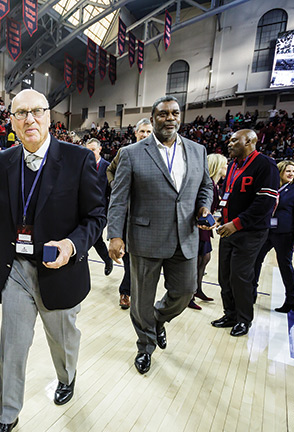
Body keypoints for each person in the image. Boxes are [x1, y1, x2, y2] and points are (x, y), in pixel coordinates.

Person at [0, 89, 105, 432]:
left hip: (60, 271)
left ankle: (67, 377)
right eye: (21, 113)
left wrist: (71, 245)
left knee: (63, 342)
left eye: (36, 112)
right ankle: (7, 416)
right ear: (12, 122)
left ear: (50, 117)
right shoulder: (4, 161)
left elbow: (96, 217)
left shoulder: (79, 159)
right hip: (17, 269)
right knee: (12, 346)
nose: (29, 119)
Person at [107, 95, 213, 375]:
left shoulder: (197, 150)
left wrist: (204, 207)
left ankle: (157, 319)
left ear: (180, 117)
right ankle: (145, 346)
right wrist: (115, 235)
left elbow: (206, 186)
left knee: (185, 291)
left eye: (175, 113)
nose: (170, 118)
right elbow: (118, 198)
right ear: (153, 119)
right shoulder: (131, 153)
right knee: (141, 300)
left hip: (185, 236)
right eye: (163, 114)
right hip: (145, 238)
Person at [211, 129, 279, 337]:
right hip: (229, 229)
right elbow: (229, 196)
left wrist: (236, 224)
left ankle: (244, 319)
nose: (229, 144)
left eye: (234, 141)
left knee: (241, 276)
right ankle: (230, 314)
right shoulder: (232, 166)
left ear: (250, 141)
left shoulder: (266, 165)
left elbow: (264, 204)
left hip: (250, 232)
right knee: (225, 275)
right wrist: (222, 217)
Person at [106, 118, 153, 309]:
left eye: (149, 132)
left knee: (142, 259)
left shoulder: (157, 155)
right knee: (128, 258)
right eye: (142, 131)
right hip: (127, 213)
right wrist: (116, 186)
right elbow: (110, 170)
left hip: (148, 215)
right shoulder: (125, 153)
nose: (145, 135)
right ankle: (125, 291)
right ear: (135, 133)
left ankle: (136, 292)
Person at [253, 160, 294, 313]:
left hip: (285, 234)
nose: (291, 174)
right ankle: (250, 292)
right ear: (280, 171)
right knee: (255, 259)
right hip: (267, 230)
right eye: (288, 171)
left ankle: (291, 299)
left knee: (285, 265)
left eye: (293, 172)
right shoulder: (272, 187)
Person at [188, 153, 228, 310]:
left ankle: (197, 290)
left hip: (205, 227)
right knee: (199, 260)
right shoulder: (208, 184)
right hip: (199, 227)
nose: (227, 167)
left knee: (205, 258)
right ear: (217, 166)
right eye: (224, 165)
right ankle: (189, 294)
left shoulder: (215, 184)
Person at [85, 137, 113, 275]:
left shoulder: (108, 167)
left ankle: (106, 260)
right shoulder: (83, 165)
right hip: (84, 210)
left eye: (93, 150)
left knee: (93, 238)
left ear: (100, 149)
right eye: (88, 150)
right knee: (94, 239)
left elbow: (112, 193)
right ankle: (107, 260)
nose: (90, 153)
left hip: (101, 212)